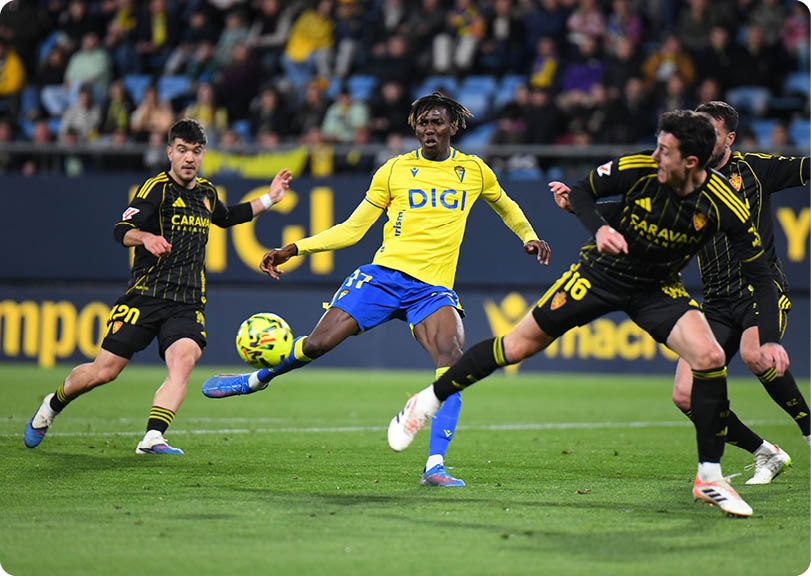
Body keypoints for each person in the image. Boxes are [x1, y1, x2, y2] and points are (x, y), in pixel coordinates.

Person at [387, 110, 789, 517]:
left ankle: (710, 477)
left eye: (665, 151)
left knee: (711, 358)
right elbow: (580, 192)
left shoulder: (724, 204)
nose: (655, 155)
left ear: (690, 162)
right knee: (516, 346)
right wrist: (599, 228)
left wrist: (770, 337)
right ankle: (426, 401)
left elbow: (761, 274)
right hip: (599, 274)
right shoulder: (638, 166)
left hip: (656, 288)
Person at [202, 93, 551, 486]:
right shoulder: (393, 171)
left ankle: (434, 466)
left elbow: (505, 204)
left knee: (452, 364)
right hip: (384, 277)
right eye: (422, 123)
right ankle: (255, 380)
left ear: (454, 126)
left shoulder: (474, 171)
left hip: (432, 289)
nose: (428, 129)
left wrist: (529, 235)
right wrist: (295, 248)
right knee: (317, 345)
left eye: (436, 122)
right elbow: (352, 229)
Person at [23, 118, 292, 455]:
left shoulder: (207, 193)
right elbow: (121, 230)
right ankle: (52, 404)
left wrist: (271, 198)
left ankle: (152, 437)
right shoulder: (156, 189)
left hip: (188, 301)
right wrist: (146, 237)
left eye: (195, 151)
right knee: (103, 371)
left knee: (183, 362)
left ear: (203, 154)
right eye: (182, 150)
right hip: (146, 295)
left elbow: (228, 216)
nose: (189, 158)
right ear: (169, 152)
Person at [670, 101, 810, 483]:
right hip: (714, 302)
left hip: (759, 290)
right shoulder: (686, 174)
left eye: (710, 131)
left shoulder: (753, 169)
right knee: (684, 395)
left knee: (756, 352)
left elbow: (806, 168)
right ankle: (766, 453)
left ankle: (809, 428)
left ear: (729, 137)